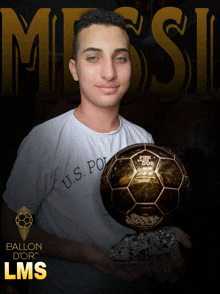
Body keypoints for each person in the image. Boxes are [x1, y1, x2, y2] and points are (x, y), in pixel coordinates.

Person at [1, 10, 191, 294]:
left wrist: (158, 242)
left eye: (120, 58)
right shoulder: (45, 140)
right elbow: (11, 227)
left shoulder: (143, 140)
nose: (109, 73)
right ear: (74, 69)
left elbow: (141, 221)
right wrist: (84, 253)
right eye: (93, 57)